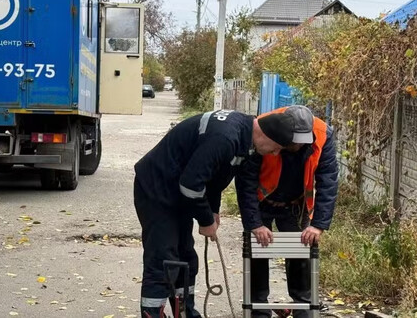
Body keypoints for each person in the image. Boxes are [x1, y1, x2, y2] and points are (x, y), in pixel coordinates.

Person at [134, 108, 306, 318]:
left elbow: (214, 176)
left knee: (186, 257)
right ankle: (152, 312)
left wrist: (213, 210)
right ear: (266, 136)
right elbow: (191, 185)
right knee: (163, 258)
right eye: (276, 148)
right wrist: (205, 220)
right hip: (157, 188)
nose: (275, 153)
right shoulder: (226, 138)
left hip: (178, 193)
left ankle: (185, 312)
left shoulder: (245, 136)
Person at [236, 105, 339, 318]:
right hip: (262, 201)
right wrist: (255, 223)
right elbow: (246, 180)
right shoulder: (264, 129)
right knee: (257, 252)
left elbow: (328, 181)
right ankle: (258, 308)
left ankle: (303, 306)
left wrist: (318, 224)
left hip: (294, 204)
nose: (297, 146)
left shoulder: (323, 135)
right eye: (293, 142)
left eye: (302, 142)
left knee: (300, 252)